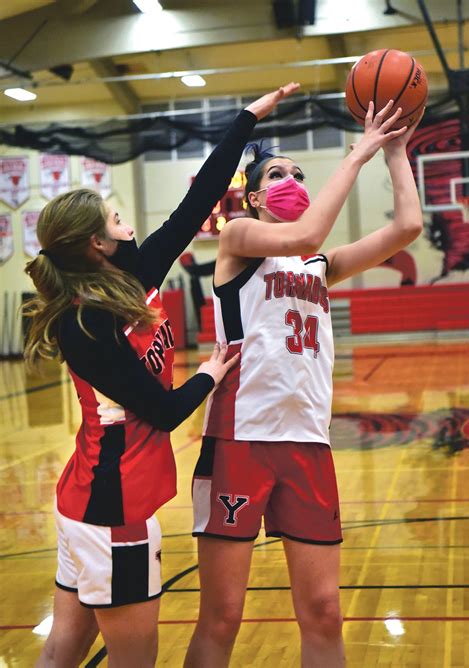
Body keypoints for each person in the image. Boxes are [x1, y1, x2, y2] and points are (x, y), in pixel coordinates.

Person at [24, 82, 300, 668]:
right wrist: (209, 373)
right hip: (112, 508)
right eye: (118, 218)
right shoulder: (87, 324)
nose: (128, 223)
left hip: (92, 498)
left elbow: (196, 204)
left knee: (62, 652)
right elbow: (165, 410)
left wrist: (246, 119)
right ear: (99, 243)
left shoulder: (133, 279)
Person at [185, 100, 423, 668]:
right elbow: (304, 232)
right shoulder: (237, 238)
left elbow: (408, 227)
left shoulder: (319, 263)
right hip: (240, 438)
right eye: (277, 174)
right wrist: (357, 152)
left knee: (322, 611)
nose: (292, 180)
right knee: (222, 617)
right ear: (254, 197)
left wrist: (393, 151)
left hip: (309, 442)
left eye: (299, 174)